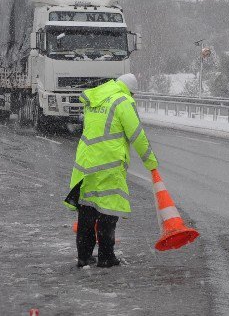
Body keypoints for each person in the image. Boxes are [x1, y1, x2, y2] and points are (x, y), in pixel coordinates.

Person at [64, 73, 158, 268]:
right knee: (108, 211)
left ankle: (83, 257)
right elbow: (137, 135)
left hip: (86, 162)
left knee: (87, 210)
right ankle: (106, 257)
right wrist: (151, 162)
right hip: (109, 163)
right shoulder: (123, 101)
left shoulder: (97, 97)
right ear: (130, 90)